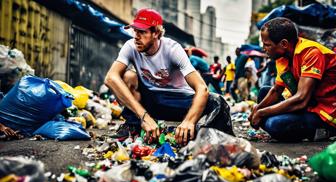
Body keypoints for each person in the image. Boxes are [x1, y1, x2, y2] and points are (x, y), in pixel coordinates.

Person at [104, 8, 233, 145]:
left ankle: (198, 134)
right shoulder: (130, 46)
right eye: (135, 30)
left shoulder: (172, 49)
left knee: (217, 101)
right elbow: (110, 78)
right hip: (151, 101)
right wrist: (144, 117)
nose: (136, 36)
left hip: (180, 101)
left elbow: (202, 88)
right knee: (128, 76)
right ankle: (133, 126)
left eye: (142, 32)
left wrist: (189, 121)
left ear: (156, 33)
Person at [249, 17, 336, 142]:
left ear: (284, 44)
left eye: (267, 44)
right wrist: (257, 109)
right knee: (264, 92)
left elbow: (301, 99)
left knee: (274, 125)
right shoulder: (282, 58)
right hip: (307, 107)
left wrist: (262, 113)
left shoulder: (312, 53)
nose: (264, 48)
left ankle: (326, 130)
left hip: (324, 114)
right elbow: (276, 91)